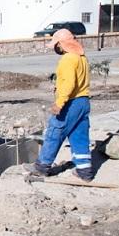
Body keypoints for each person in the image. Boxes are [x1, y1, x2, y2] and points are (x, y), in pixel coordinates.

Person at [27, 29, 93, 181]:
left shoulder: (68, 59)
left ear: (62, 44)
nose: (56, 48)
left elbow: (69, 83)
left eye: (56, 45)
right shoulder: (81, 58)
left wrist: (60, 102)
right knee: (79, 136)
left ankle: (41, 167)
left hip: (71, 103)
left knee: (54, 132)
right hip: (83, 101)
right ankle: (85, 171)